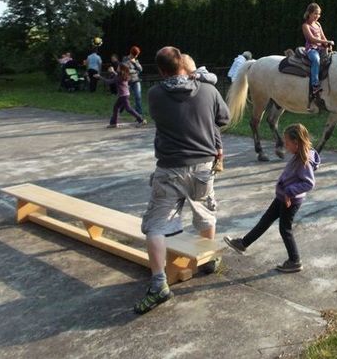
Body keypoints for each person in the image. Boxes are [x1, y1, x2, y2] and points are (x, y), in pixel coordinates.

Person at [134, 46, 230, 315]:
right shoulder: (209, 90)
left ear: (161, 70)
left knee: (155, 226)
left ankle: (159, 284)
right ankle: (208, 261)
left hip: (169, 169)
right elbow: (224, 118)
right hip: (203, 167)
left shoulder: (154, 94)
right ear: (183, 65)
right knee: (205, 212)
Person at [223, 123, 319, 273]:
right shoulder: (299, 155)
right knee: (266, 220)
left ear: (296, 142)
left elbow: (309, 183)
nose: (285, 145)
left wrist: (289, 192)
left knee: (285, 229)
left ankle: (295, 261)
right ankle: (243, 243)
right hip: (283, 196)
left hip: (290, 201)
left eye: (287, 142)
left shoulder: (303, 160)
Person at [182, 54, 224, 172]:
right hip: (201, 108)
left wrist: (197, 76)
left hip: (210, 107)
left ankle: (219, 157)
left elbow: (214, 78)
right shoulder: (186, 79)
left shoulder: (201, 73)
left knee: (215, 132)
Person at [94, 64, 147, 128]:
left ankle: (141, 120)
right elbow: (117, 76)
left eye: (118, 67)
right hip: (125, 94)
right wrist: (113, 71)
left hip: (123, 96)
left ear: (121, 69)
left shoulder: (119, 77)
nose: (117, 68)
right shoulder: (124, 75)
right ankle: (113, 123)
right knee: (116, 107)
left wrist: (99, 77)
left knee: (128, 109)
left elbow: (109, 82)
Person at [301, 3, 334, 96]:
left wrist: (327, 44)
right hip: (311, 49)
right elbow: (311, 39)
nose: (317, 16)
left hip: (321, 48)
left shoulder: (318, 24)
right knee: (316, 60)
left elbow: (323, 36)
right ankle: (315, 85)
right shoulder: (305, 26)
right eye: (315, 13)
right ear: (309, 13)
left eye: (319, 14)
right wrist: (326, 41)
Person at [123, 46, 144, 115]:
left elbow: (140, 69)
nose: (136, 56)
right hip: (127, 81)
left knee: (138, 97)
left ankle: (139, 113)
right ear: (131, 53)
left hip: (136, 81)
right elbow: (125, 69)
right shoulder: (125, 59)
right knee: (124, 97)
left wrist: (135, 63)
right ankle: (119, 109)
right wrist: (134, 71)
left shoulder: (136, 60)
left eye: (136, 55)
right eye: (134, 55)